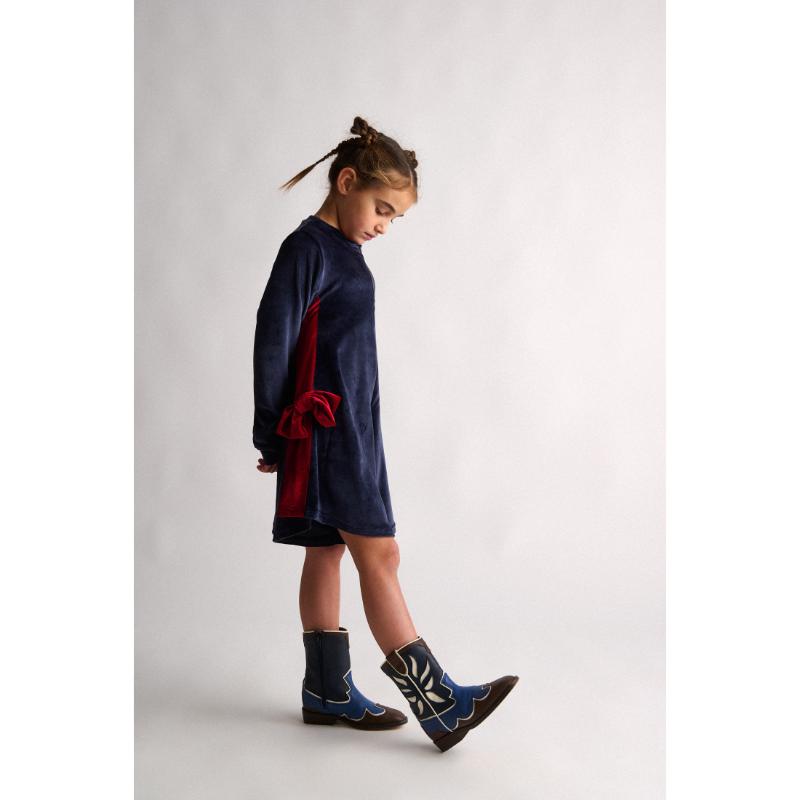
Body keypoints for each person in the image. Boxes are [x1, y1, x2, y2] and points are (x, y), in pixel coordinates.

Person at [252, 116, 518, 752]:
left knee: (327, 549)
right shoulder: (308, 249)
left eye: (395, 218)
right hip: (328, 432)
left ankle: (326, 692)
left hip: (353, 431)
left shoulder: (344, 253)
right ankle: (442, 705)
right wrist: (272, 431)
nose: (384, 226)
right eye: (381, 209)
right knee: (381, 554)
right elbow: (272, 338)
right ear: (346, 182)